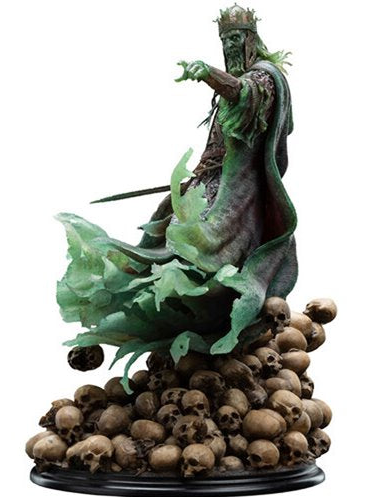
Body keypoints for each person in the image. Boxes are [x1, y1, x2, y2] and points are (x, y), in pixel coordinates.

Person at [57, 5, 298, 383]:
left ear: (252, 39)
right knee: (166, 223)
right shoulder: (240, 81)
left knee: (202, 239)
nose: (231, 47)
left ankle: (208, 301)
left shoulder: (265, 77)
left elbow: (243, 93)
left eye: (236, 39)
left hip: (237, 189)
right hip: (210, 177)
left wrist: (209, 74)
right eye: (226, 41)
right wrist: (198, 174)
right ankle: (148, 298)